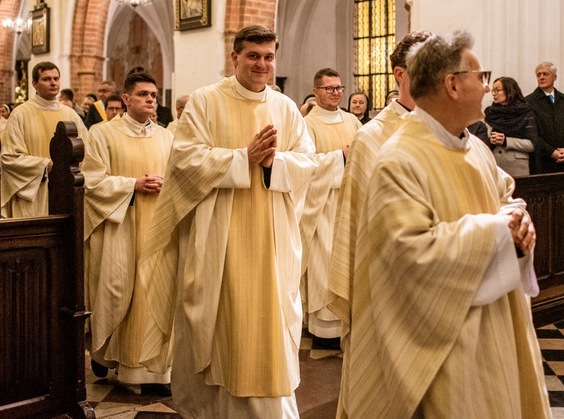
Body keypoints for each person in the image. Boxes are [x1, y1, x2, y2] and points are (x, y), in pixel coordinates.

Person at [344, 30, 548, 418]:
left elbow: (506, 202)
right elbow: (409, 254)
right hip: (444, 342)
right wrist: (497, 231)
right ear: (452, 85)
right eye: (480, 76)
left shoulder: (476, 149)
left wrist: (520, 224)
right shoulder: (399, 159)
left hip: (495, 323)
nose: (488, 87)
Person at [139, 25, 317, 418]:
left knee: (268, 324)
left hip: (272, 237)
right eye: (253, 55)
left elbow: (309, 163)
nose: (262, 64)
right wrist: (242, 158)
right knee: (217, 321)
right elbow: (184, 160)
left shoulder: (286, 108)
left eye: (269, 56)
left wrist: (275, 162)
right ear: (234, 57)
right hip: (218, 236)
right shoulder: (205, 101)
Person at [327, 30, 432, 418]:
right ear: (400, 75)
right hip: (388, 288)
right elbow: (361, 223)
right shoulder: (373, 137)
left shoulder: (449, 128)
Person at [83, 71, 173, 391]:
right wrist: (133, 184)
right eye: (143, 94)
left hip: (159, 226)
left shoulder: (166, 137)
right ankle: (119, 361)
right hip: (123, 224)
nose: (151, 100)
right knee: (122, 294)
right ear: (125, 99)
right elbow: (92, 182)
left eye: (154, 95)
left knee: (157, 294)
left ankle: (157, 371)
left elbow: (177, 177)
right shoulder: (102, 134)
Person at [301, 68, 361, 346]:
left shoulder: (352, 121)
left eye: (339, 88)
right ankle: (325, 329)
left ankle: (349, 321)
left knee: (349, 260)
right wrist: (340, 157)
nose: (336, 93)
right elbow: (305, 165)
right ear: (316, 92)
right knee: (324, 261)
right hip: (322, 204)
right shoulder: (307, 125)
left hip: (349, 200)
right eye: (329, 89)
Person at [0, 61, 89, 218]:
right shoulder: (20, 114)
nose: (53, 83)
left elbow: (87, 152)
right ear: (34, 83)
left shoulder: (71, 114)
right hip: (35, 193)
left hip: (67, 191)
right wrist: (44, 164)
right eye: (47, 79)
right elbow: (9, 158)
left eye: (56, 78)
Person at [525, 62, 564, 173]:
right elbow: (531, 133)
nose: (541, 77)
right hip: (542, 162)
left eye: (545, 74)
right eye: (538, 75)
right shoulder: (529, 101)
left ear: (554, 77)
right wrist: (552, 152)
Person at [484, 76, 538, 176]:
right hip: (494, 165)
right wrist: (490, 140)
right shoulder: (490, 113)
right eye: (493, 90)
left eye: (497, 90)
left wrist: (506, 141)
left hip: (517, 167)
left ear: (509, 91)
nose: (494, 93)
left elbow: (532, 144)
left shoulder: (525, 112)